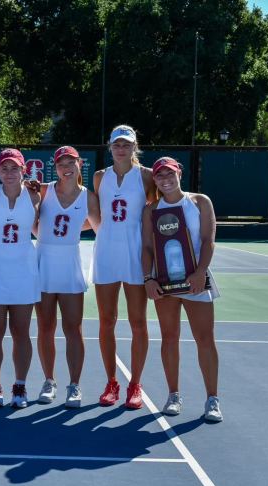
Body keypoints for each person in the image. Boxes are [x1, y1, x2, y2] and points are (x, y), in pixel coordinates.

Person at [141, 157, 222, 422]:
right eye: (160, 175)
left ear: (179, 174)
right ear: (155, 179)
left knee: (204, 339)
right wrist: (148, 279)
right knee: (169, 337)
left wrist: (200, 273)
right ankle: (173, 395)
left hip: (196, 281)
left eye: (170, 174)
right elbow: (148, 248)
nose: (165, 179)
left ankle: (212, 399)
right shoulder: (151, 210)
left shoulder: (200, 202)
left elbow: (209, 240)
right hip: (164, 282)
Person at [92, 125, 155, 409]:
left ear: (134, 147)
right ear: (110, 147)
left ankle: (135, 384)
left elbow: (158, 211)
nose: (121, 149)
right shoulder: (99, 177)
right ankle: (111, 382)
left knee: (138, 322)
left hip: (135, 255)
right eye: (117, 144)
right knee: (106, 322)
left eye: (126, 144)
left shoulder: (147, 176)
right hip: (106, 254)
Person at [34, 146, 101, 407]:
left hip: (70, 265)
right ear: (56, 166)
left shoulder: (89, 197)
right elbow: (29, 217)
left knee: (73, 328)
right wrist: (37, 231)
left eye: (71, 161)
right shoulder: (42, 190)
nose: (66, 167)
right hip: (44, 264)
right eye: (61, 163)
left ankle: (74, 385)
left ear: (80, 163)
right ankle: (49, 381)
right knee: (45, 327)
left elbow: (101, 229)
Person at [0, 148, 41, 408]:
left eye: (14, 168)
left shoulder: (35, 195)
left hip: (24, 273)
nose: (9, 173)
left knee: (21, 332)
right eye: (4, 168)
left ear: (23, 170)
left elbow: (67, 188)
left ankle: (20, 386)